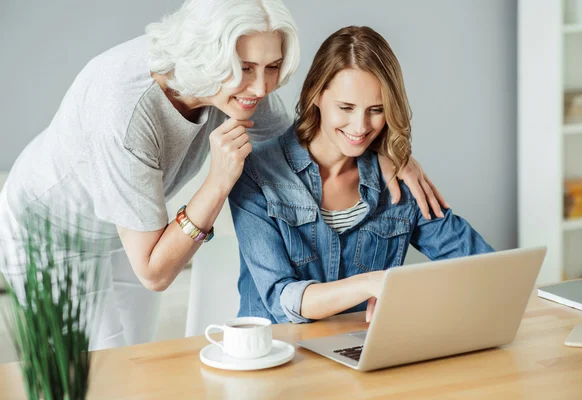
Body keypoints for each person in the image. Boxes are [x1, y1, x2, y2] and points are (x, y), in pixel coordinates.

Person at [0, 1, 445, 350]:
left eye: (272, 67)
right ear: (207, 57)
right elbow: (155, 273)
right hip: (51, 234)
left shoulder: (238, 86)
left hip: (128, 228)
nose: (262, 87)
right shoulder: (123, 112)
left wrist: (389, 152)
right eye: (247, 69)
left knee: (133, 359)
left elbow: (304, 141)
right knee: (94, 372)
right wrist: (217, 184)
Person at [229, 25, 494, 325]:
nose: (360, 126)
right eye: (346, 107)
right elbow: (280, 299)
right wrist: (371, 283)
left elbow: (481, 266)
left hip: (365, 357)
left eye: (376, 110)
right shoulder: (256, 173)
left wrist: (415, 298)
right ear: (316, 94)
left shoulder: (397, 179)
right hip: (279, 357)